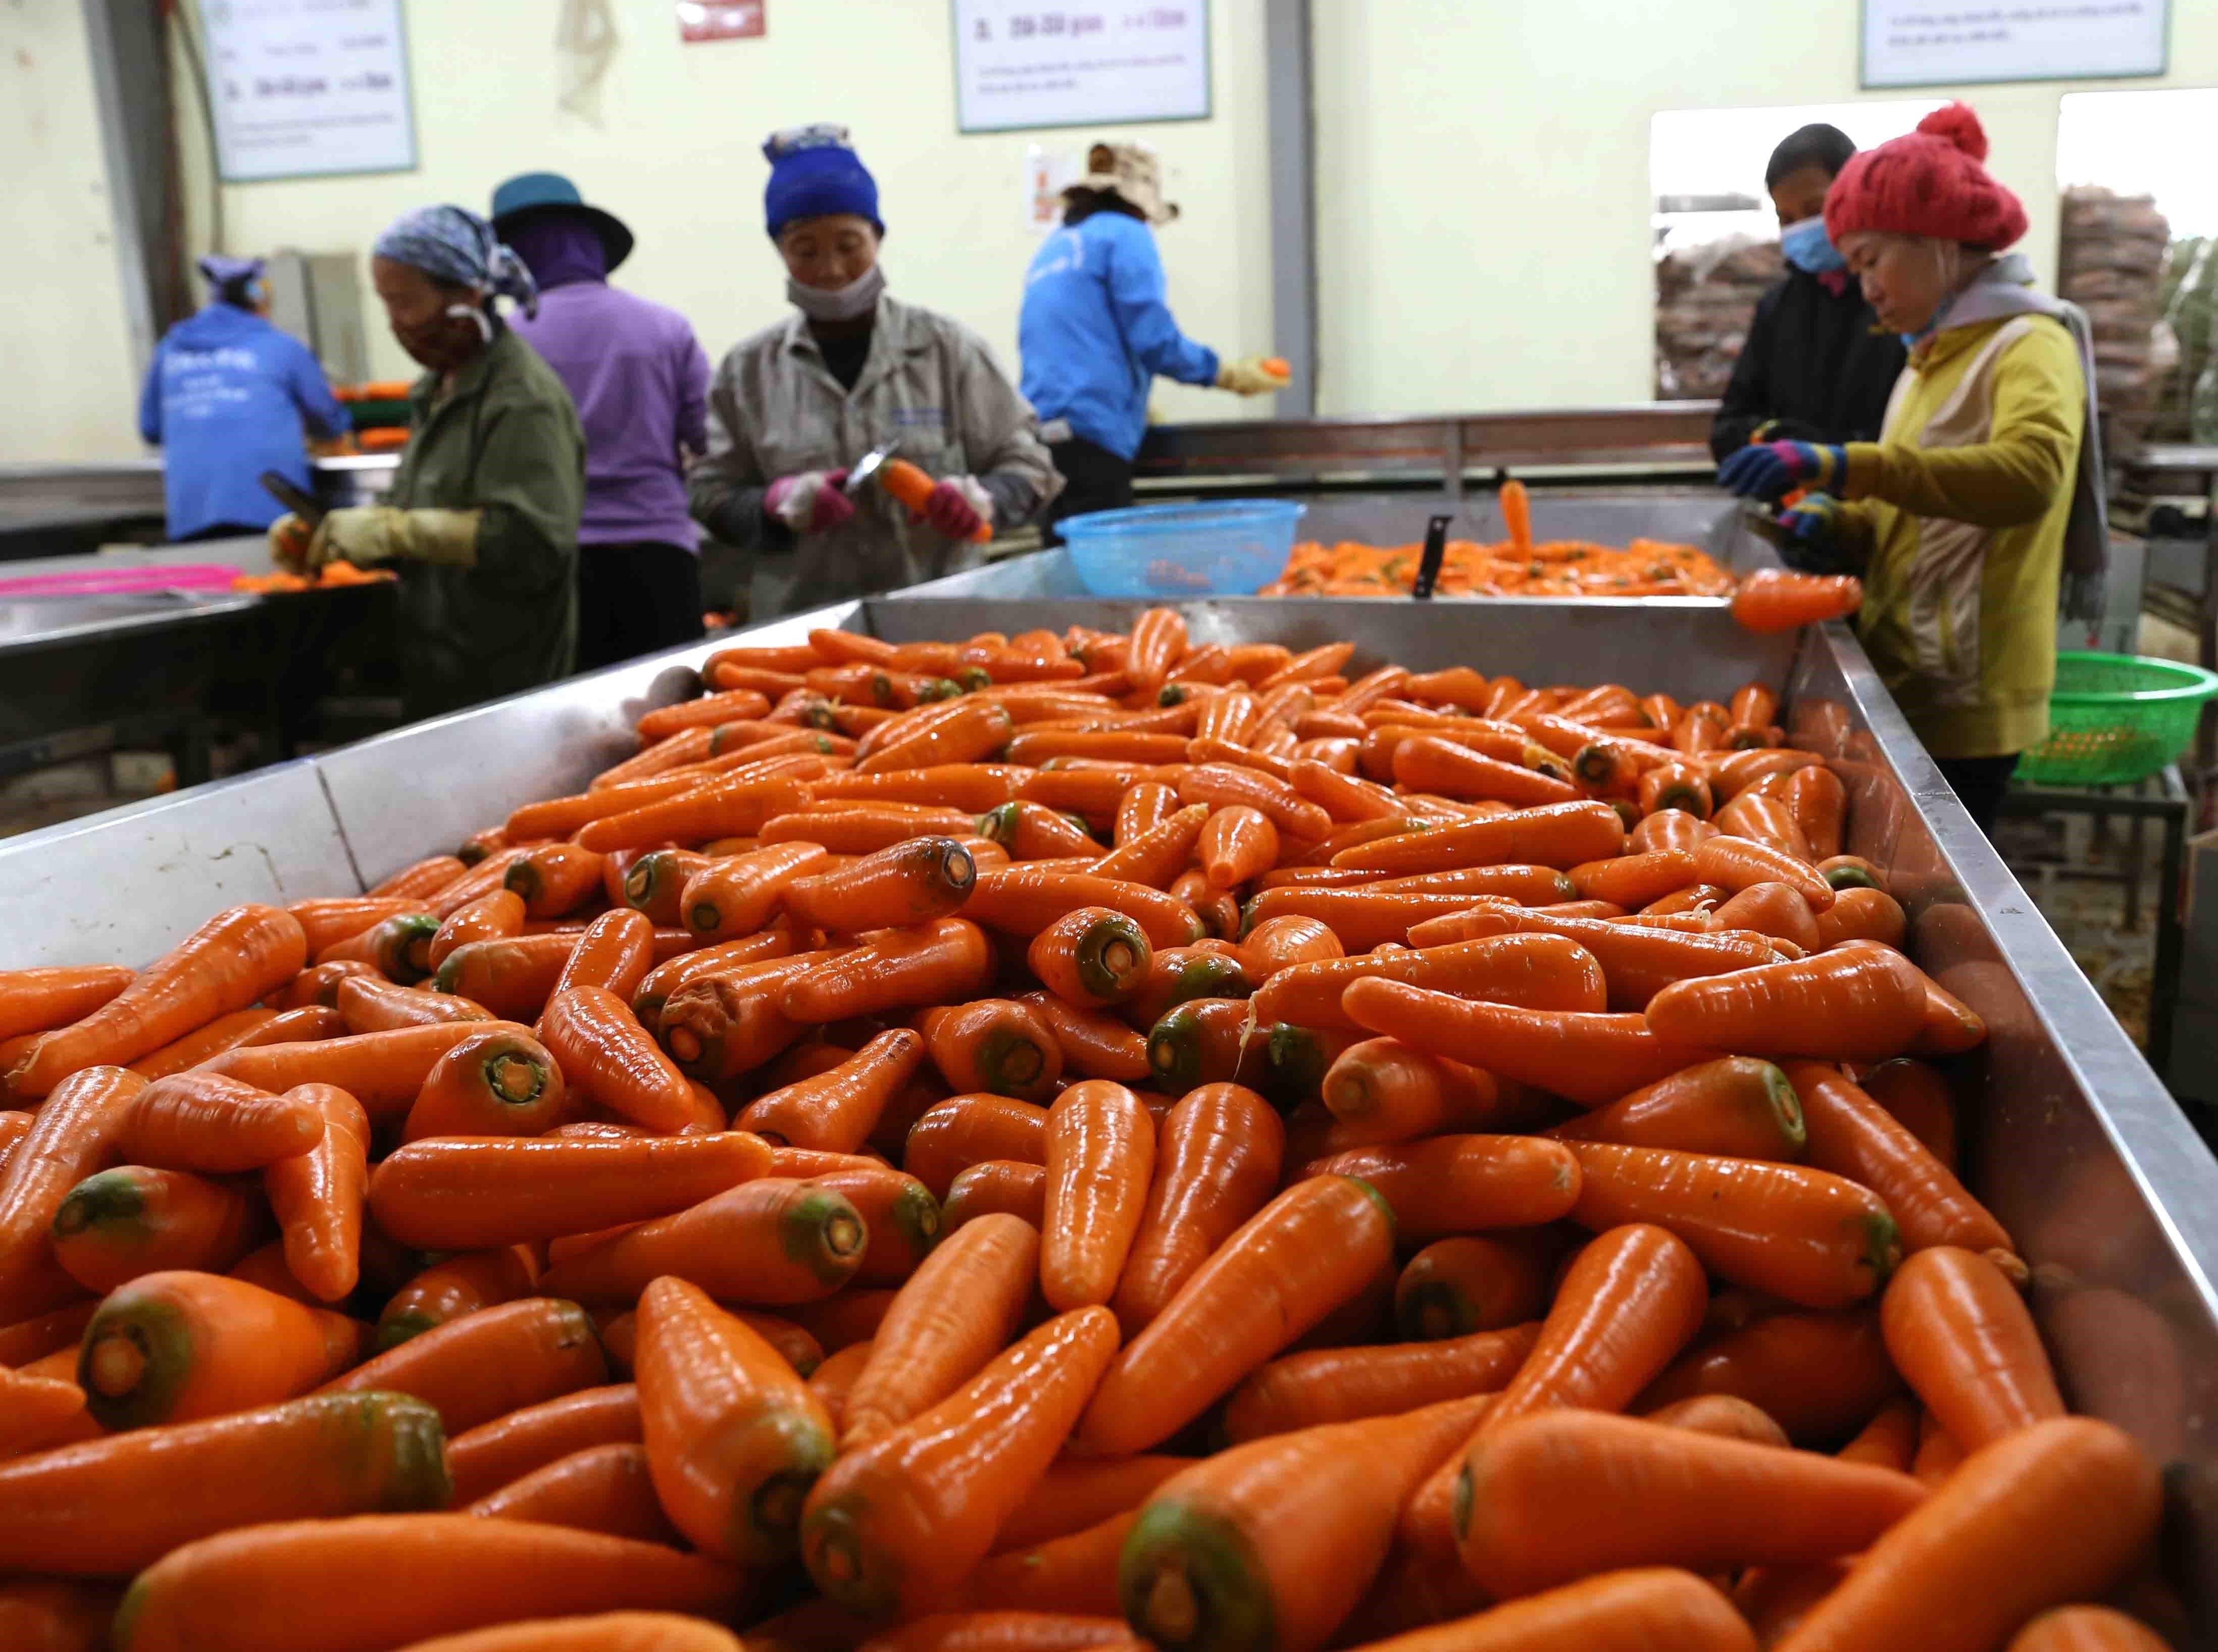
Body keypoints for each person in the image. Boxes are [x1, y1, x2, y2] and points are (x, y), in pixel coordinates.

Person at [1718, 104, 2107, 836]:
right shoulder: (1929, 358)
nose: (1864, 285)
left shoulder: (2027, 345)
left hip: (1969, 692)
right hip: (1909, 672)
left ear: (1936, 241)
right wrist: (1840, 520)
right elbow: (1911, 505)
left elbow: (2030, 476)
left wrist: (1848, 466)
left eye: (1872, 260)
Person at [688, 125, 1059, 617]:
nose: (832, 269)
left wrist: (984, 498)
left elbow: (1031, 466)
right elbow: (709, 494)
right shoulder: (748, 373)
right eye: (806, 251)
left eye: (849, 245)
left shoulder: (948, 351)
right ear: (780, 250)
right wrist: (774, 506)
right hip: (807, 628)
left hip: (939, 619)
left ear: (877, 238)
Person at [269, 206, 585, 721]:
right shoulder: (435, 393)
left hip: (507, 680)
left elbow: (532, 543)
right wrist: (336, 537)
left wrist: (394, 531)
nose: (396, 323)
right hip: (439, 669)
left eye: (405, 303)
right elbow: (419, 533)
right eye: (386, 304)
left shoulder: (521, 400)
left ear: (467, 297)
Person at [491, 171, 714, 671]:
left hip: (551, 562)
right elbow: (709, 437)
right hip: (660, 555)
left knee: (568, 713)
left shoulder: (503, 344)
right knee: (670, 708)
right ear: (592, 243)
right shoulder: (665, 327)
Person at [1018, 142, 1287, 541]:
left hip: (1045, 434)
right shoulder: (1127, 235)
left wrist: (1133, 403)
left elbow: (1075, 340)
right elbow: (1153, 338)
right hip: (1095, 435)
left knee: (1062, 560)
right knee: (1104, 568)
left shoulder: (1057, 245)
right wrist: (1223, 373)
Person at [1708, 125, 1906, 462]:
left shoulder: (1900, 298)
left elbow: (1917, 432)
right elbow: (1728, 427)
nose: (1801, 229)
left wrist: (1831, 455)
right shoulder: (1777, 308)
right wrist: (1773, 440)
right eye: (1786, 219)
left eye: (1816, 210)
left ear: (1854, 196)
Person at [138, 255, 348, 543]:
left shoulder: (169, 350)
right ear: (259, 298)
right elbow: (327, 420)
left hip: (192, 515)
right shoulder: (282, 347)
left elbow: (151, 428)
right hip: (272, 515)